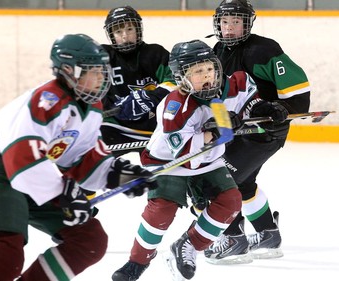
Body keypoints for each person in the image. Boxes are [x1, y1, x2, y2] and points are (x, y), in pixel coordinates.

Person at [0, 33, 157, 281]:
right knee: (7, 252)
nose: (102, 78)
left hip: (39, 180)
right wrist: (63, 194)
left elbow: (82, 158)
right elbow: (22, 162)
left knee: (89, 241)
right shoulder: (46, 101)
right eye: (93, 71)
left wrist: (116, 174)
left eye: (103, 71)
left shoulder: (92, 108)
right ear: (69, 70)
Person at [111, 39, 286, 281]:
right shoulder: (174, 105)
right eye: (197, 72)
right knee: (161, 212)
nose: (207, 76)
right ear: (182, 77)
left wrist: (264, 109)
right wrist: (214, 131)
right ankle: (137, 263)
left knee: (231, 201)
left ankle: (188, 245)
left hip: (209, 161)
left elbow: (247, 101)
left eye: (210, 68)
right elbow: (185, 153)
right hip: (170, 163)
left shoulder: (230, 85)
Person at [203, 0, 311, 264]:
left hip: (264, 132)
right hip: (240, 132)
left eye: (236, 22)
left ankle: (233, 239)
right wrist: (221, 119)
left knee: (219, 180)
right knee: (244, 183)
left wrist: (281, 107)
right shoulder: (217, 50)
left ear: (247, 23)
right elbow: (221, 95)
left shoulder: (264, 49)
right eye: (225, 22)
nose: (230, 28)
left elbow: (298, 91)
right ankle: (267, 235)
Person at [100, 5, 176, 157]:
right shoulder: (103, 57)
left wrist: (151, 97)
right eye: (118, 31)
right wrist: (113, 109)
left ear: (138, 30)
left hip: (155, 128)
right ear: (111, 35)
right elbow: (92, 91)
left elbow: (175, 82)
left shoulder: (155, 54)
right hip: (117, 128)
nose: (125, 36)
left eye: (130, 29)